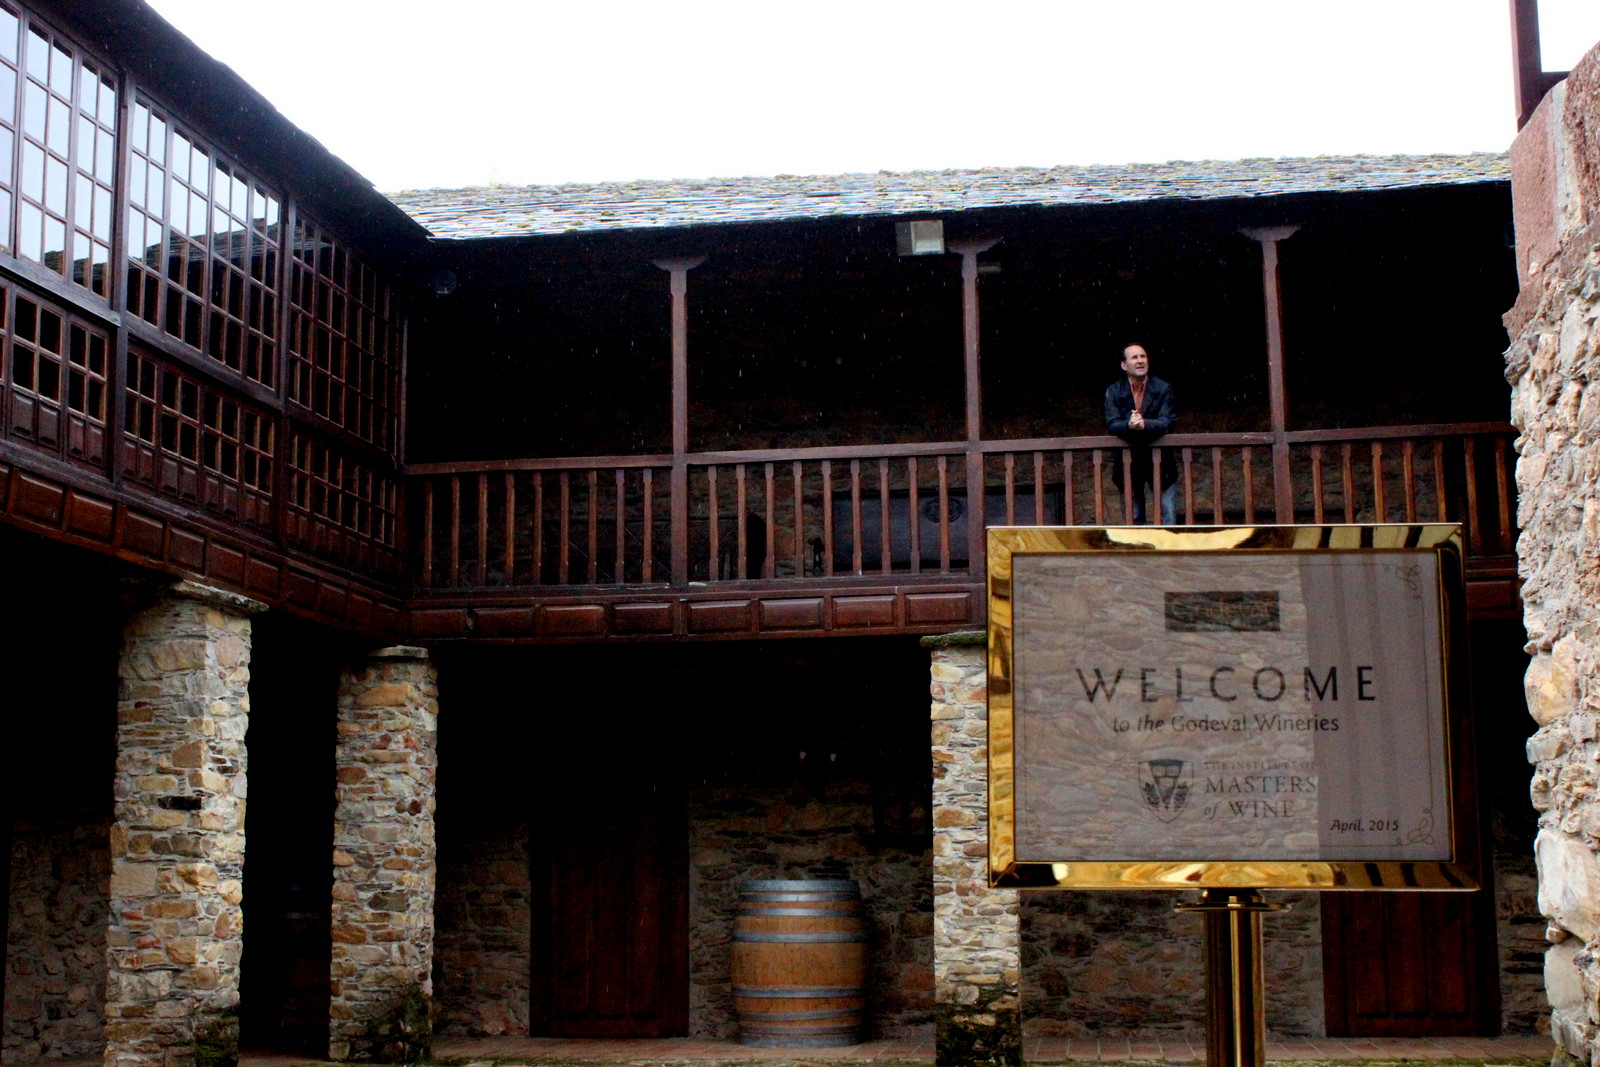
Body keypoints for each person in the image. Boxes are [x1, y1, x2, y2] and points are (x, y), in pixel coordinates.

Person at [1104, 343, 1178, 525]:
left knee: (1167, 515)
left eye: (1143, 356)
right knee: (1134, 518)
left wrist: (1144, 424)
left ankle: (1167, 544)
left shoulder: (1163, 388)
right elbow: (1112, 424)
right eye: (1134, 357)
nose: (1140, 361)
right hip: (1129, 461)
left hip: (1160, 460)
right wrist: (1129, 425)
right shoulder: (1114, 391)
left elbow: (1167, 422)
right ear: (1124, 365)